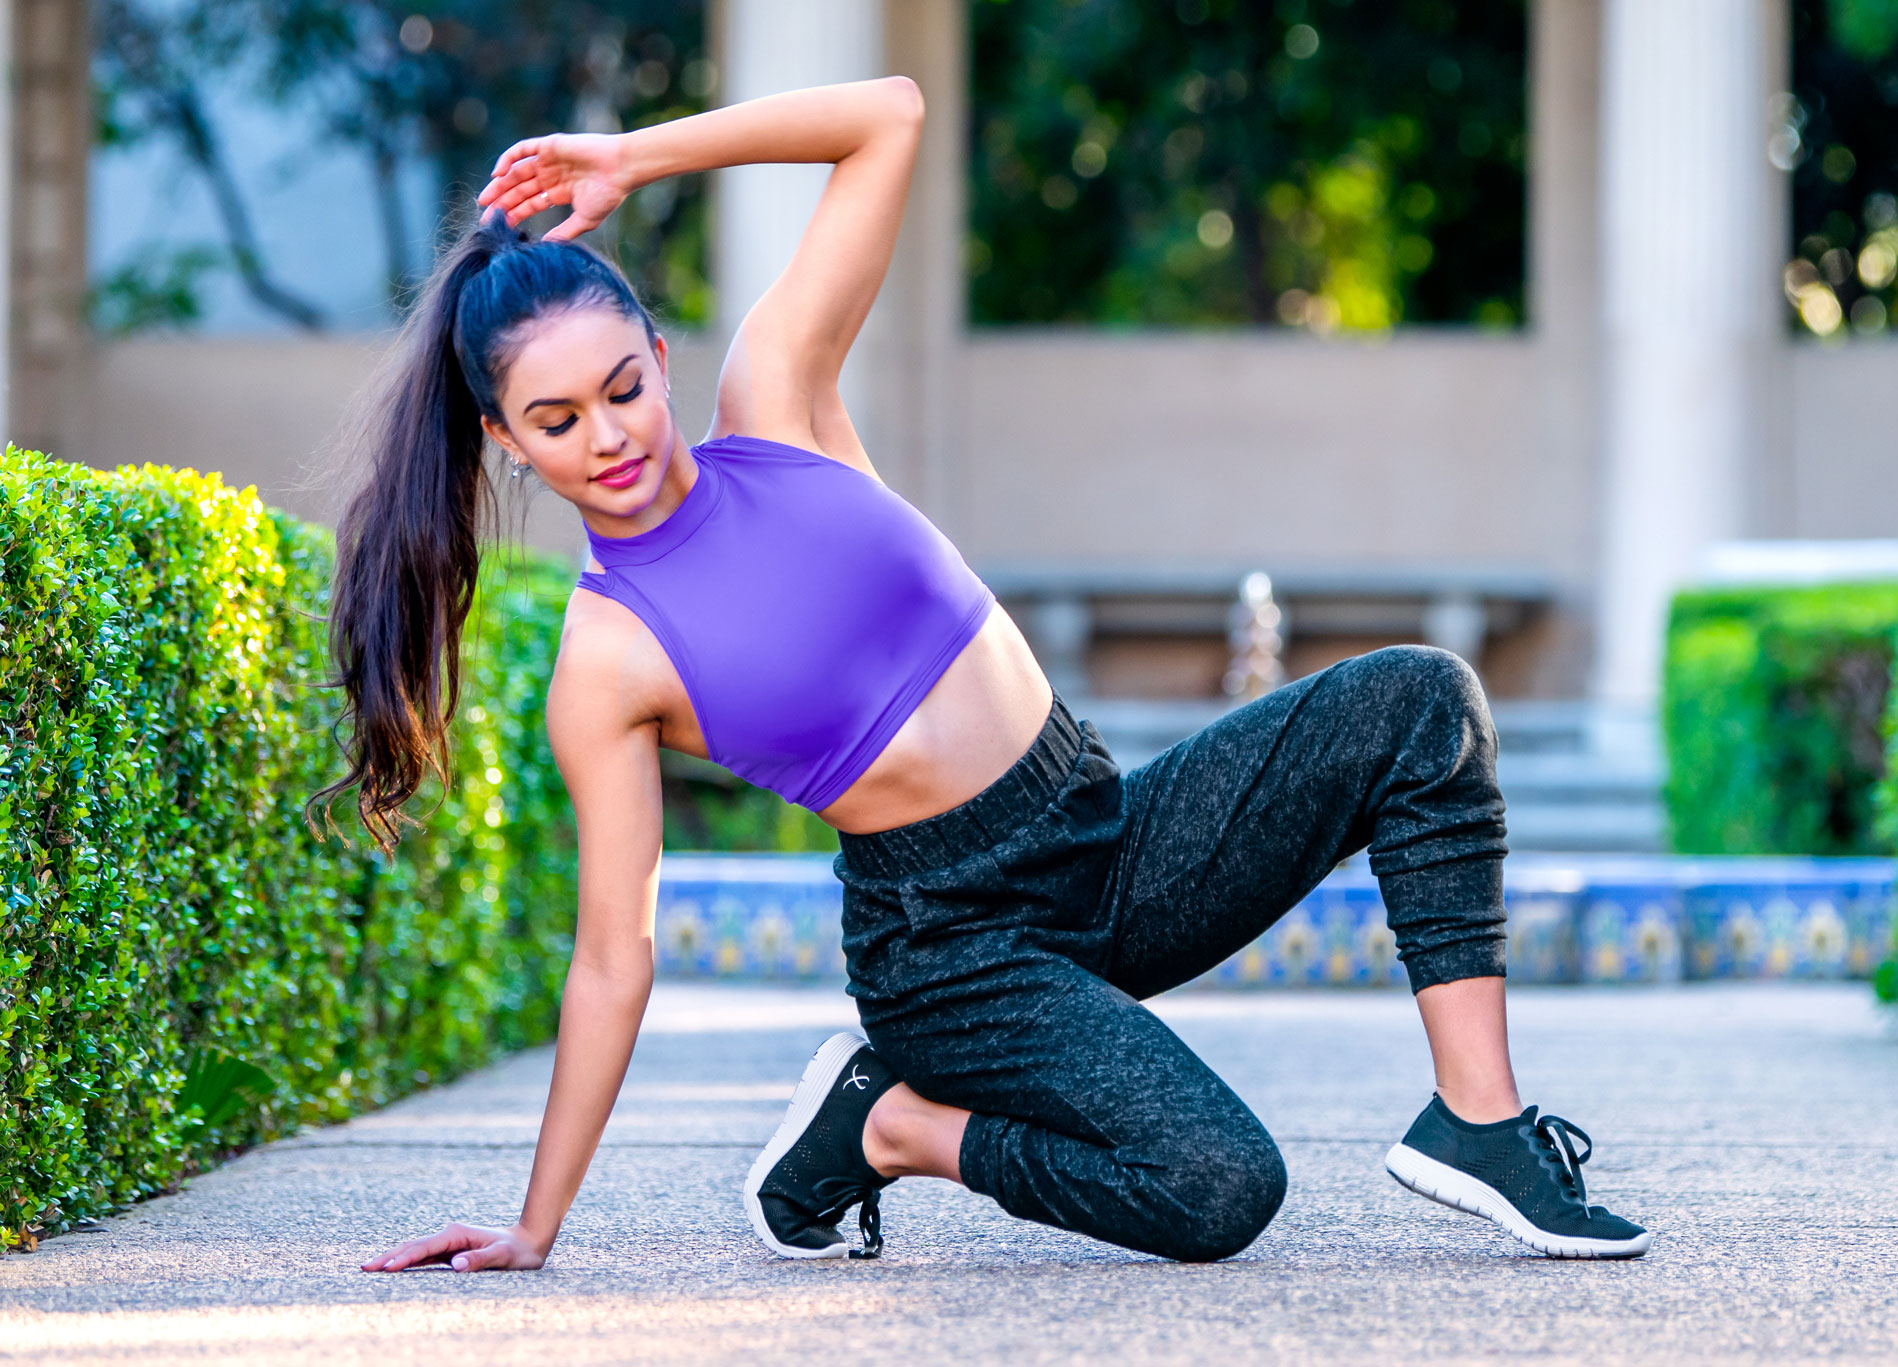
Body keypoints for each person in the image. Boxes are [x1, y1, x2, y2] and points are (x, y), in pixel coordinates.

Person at [344, 78, 1649, 1275]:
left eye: (621, 389)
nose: (608, 438)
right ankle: (894, 1126)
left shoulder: (778, 405)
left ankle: (1479, 1120)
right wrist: (536, 1223)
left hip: (1099, 829)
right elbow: (610, 960)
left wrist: (635, 155)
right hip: (949, 950)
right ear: (506, 442)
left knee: (1416, 701)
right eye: (557, 422)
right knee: (1217, 1189)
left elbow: (888, 116)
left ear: (660, 361)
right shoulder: (610, 653)